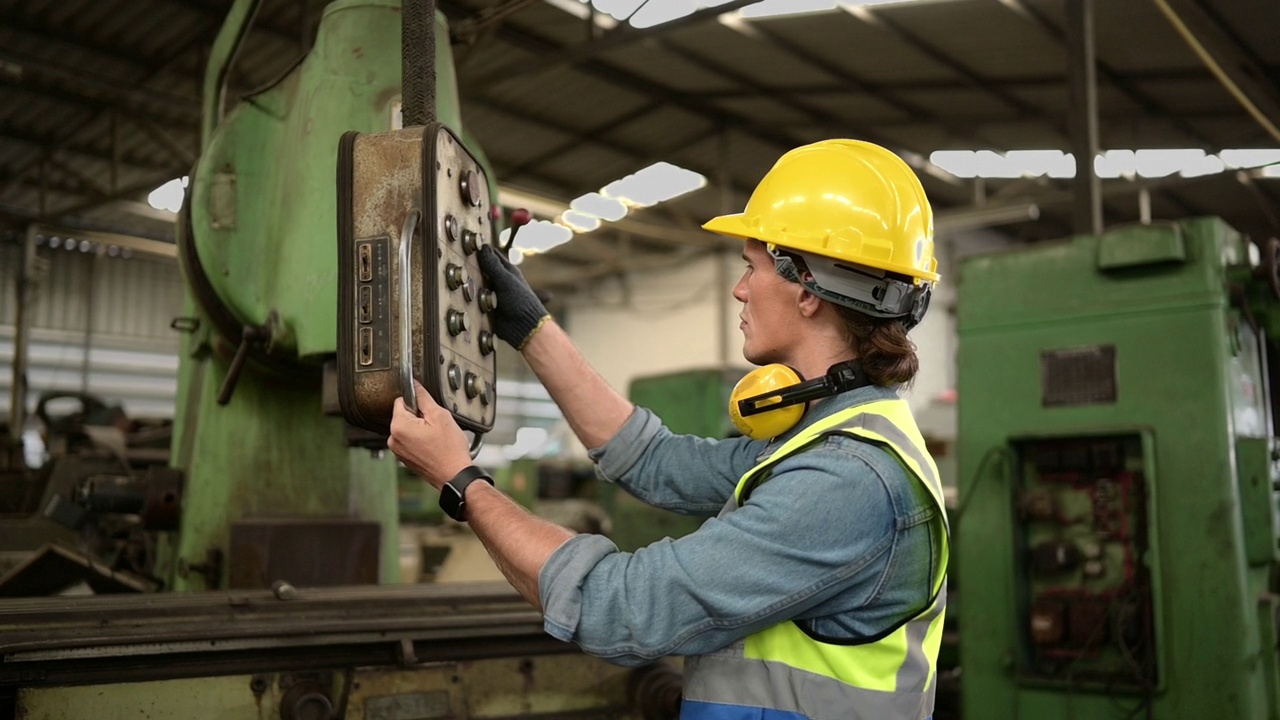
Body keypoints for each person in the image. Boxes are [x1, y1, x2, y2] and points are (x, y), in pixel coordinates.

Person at [388, 139, 951, 720]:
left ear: (807, 289)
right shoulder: (827, 434)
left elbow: (623, 608)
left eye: (751, 267)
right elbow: (654, 459)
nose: (739, 289)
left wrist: (463, 482)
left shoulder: (845, 477)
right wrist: (532, 328)